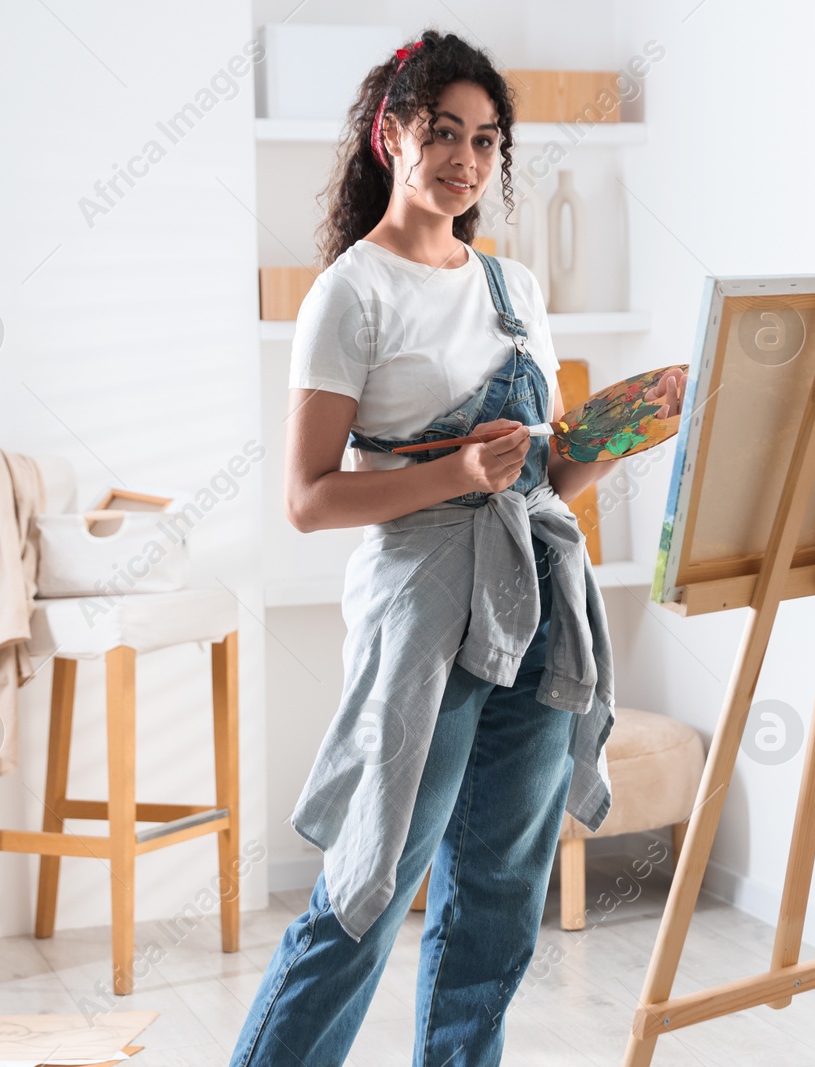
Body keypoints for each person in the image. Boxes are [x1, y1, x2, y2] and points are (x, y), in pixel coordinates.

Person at [229, 29, 677, 1067]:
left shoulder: (513, 285)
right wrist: (454, 476)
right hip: (424, 612)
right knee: (367, 888)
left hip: (534, 607)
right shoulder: (351, 292)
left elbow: (547, 476)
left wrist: (617, 436)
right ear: (391, 134)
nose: (464, 159)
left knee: (498, 902)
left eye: (484, 140)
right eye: (442, 132)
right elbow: (306, 497)